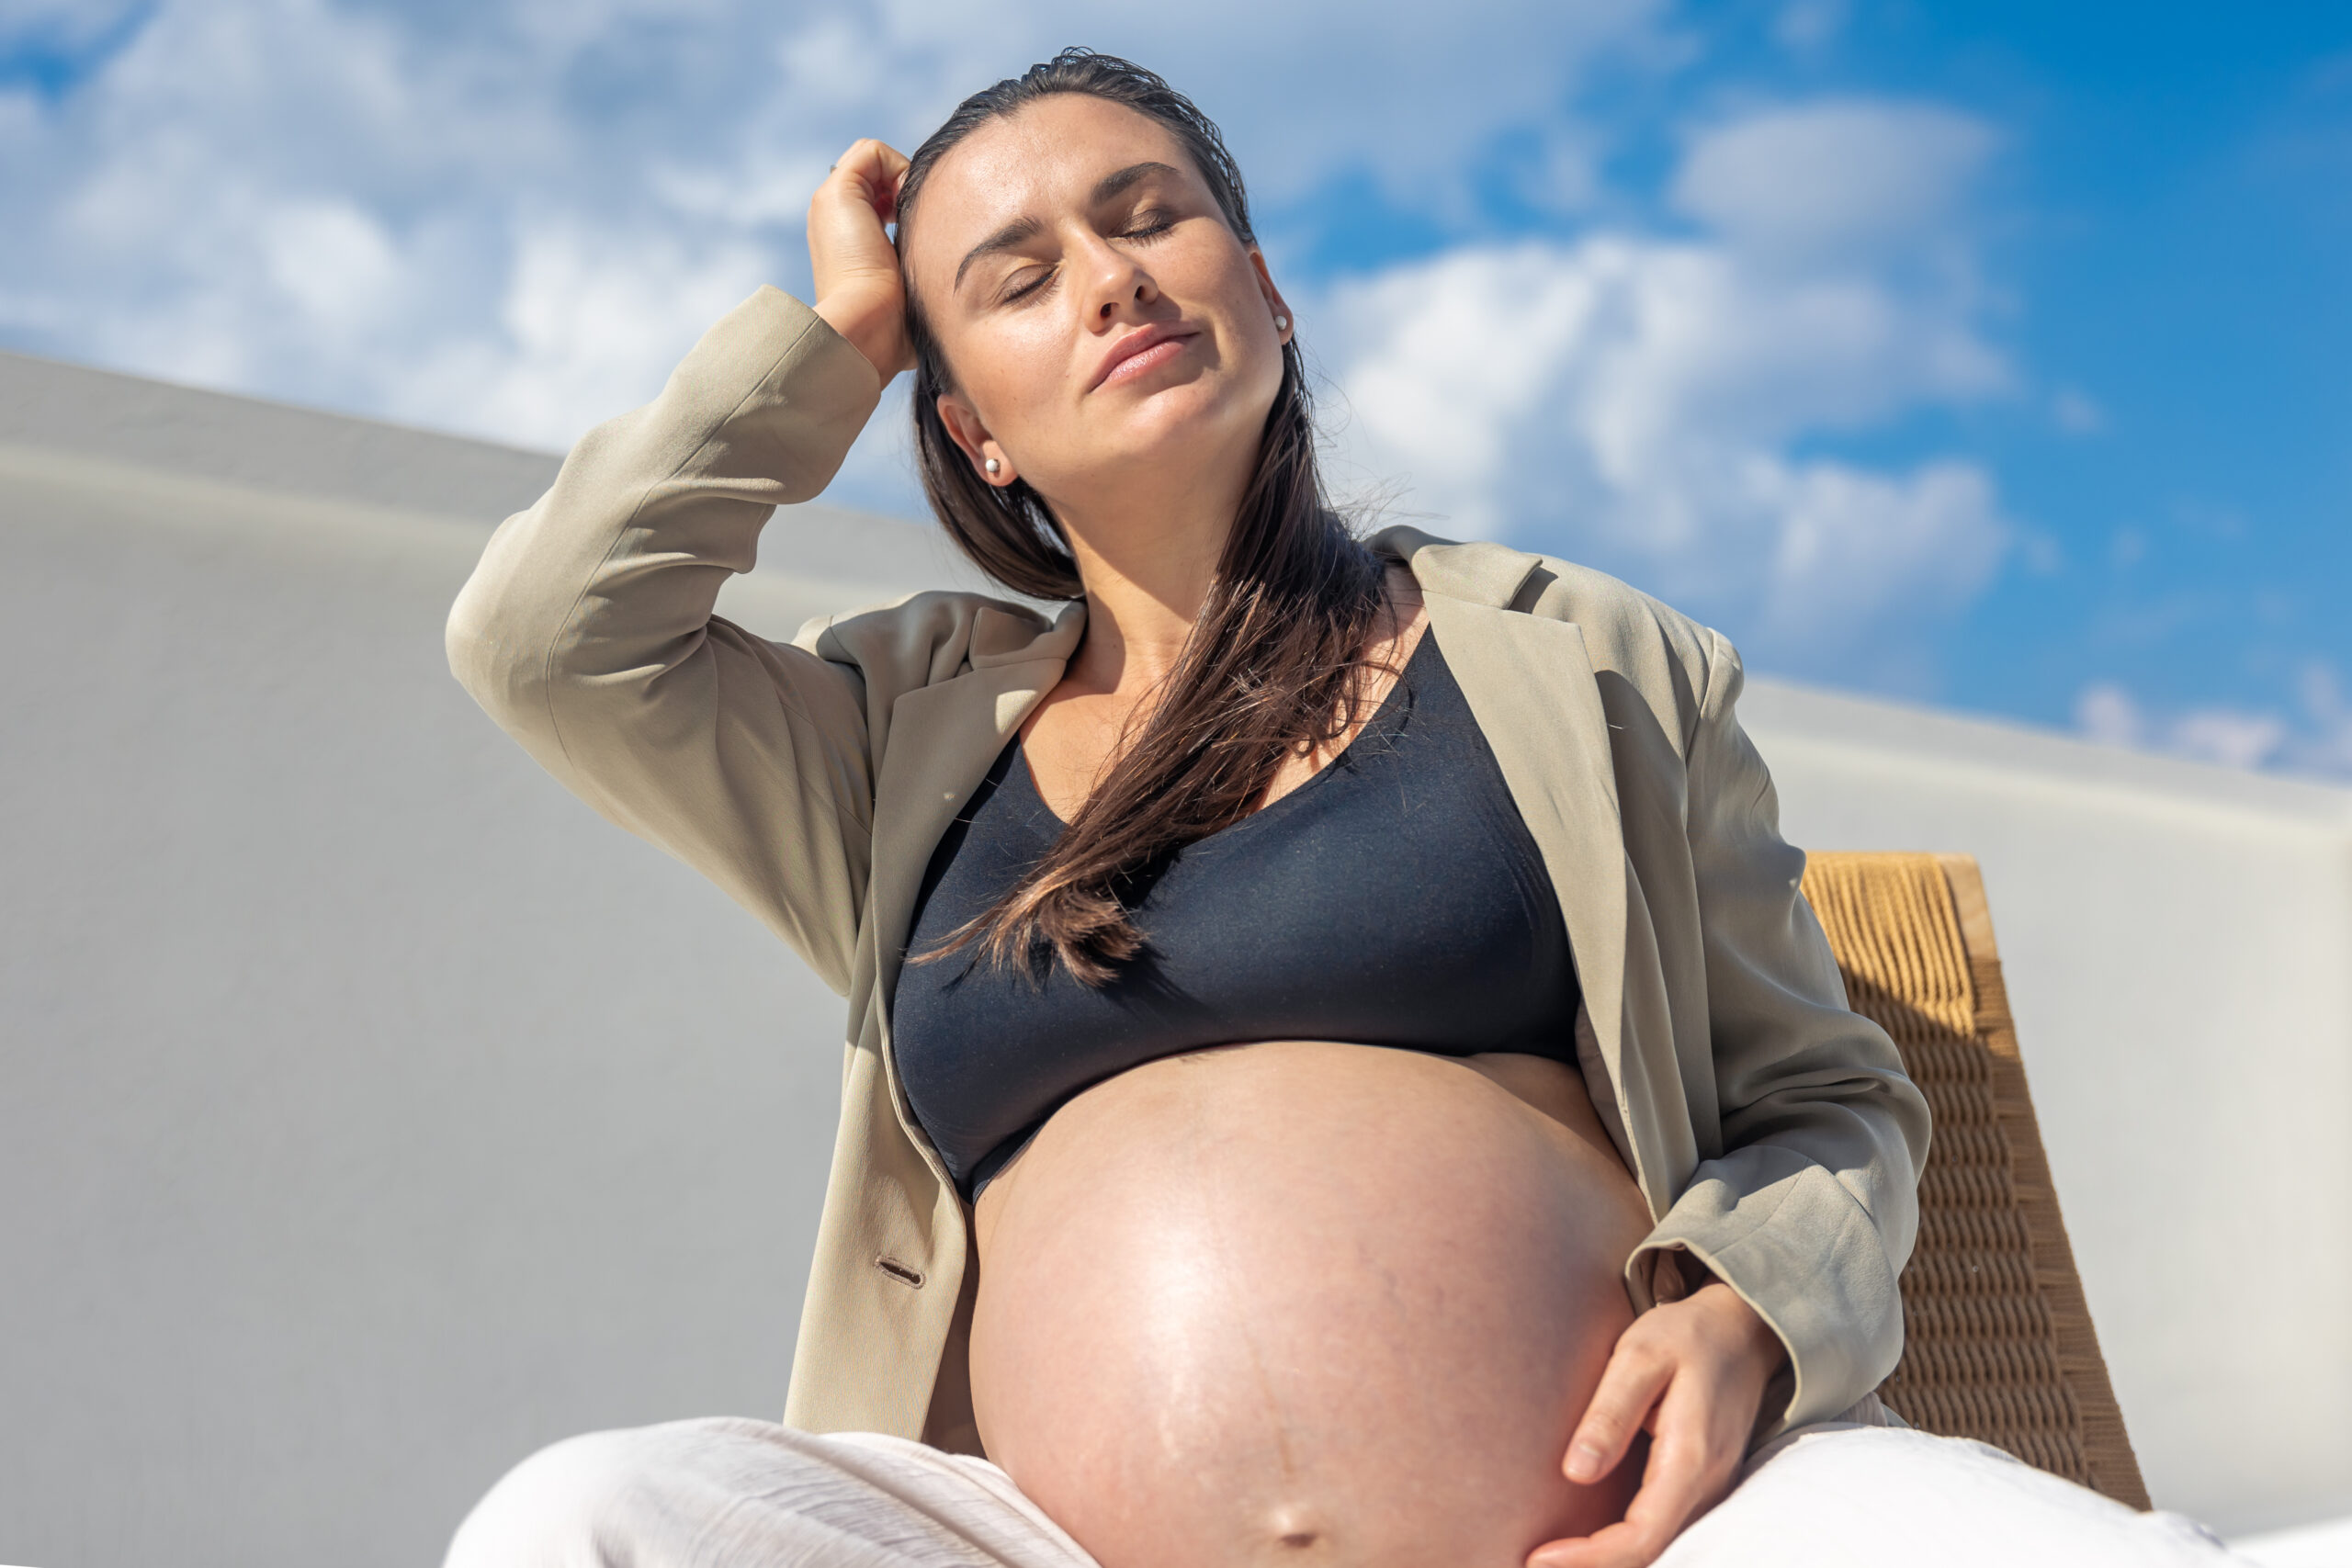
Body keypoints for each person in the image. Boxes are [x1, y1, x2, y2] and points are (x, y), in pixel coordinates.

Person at [440, 47, 2244, 1568]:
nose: (1112, 277)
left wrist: (1751, 1312)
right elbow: (544, 641)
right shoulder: (891, 738)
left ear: (1265, 288)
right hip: (1040, 1544)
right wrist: (837, 337)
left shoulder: (1584, 660)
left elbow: (1822, 1098)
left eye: (1148, 215)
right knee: (576, 1520)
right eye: (1017, 276)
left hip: (1651, 1524)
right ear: (970, 425)